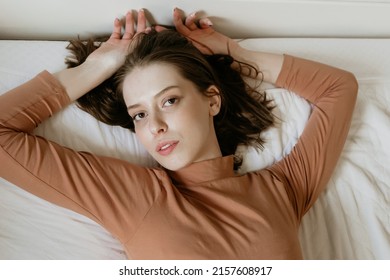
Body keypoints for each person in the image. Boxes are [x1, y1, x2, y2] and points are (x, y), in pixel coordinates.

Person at [0, 8, 358, 259]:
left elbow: (338, 89)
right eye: (138, 114)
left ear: (211, 100)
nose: (154, 125)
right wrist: (98, 66)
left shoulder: (283, 188)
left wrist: (233, 52)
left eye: (169, 100)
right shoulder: (131, 196)